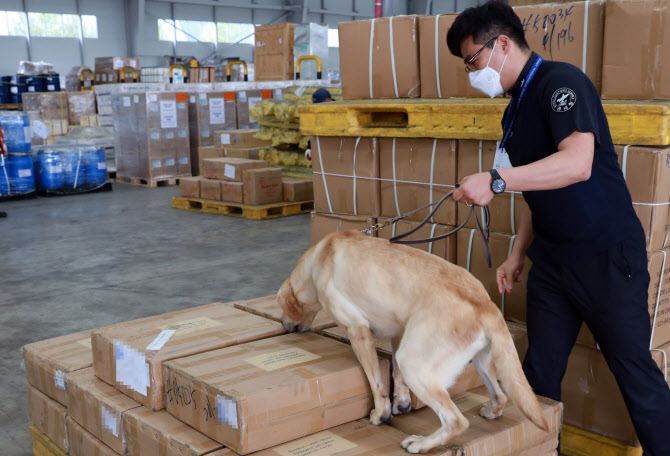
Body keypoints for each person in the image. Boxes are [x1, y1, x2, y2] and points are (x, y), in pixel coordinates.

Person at [446, 2, 670, 454]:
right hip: (551, 262)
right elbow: (538, 190)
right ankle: (540, 448)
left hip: (604, 256)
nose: (472, 74)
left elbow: (576, 163)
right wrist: (516, 253)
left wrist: (494, 180)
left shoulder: (561, 85)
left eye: (473, 61)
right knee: (539, 375)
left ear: (502, 44)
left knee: (633, 371)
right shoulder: (515, 112)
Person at [305, 88, 333, 161]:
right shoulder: (319, 114)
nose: (318, 107)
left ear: (328, 100)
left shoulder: (338, 113)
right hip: (324, 152)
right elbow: (314, 132)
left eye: (319, 104)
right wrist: (309, 148)